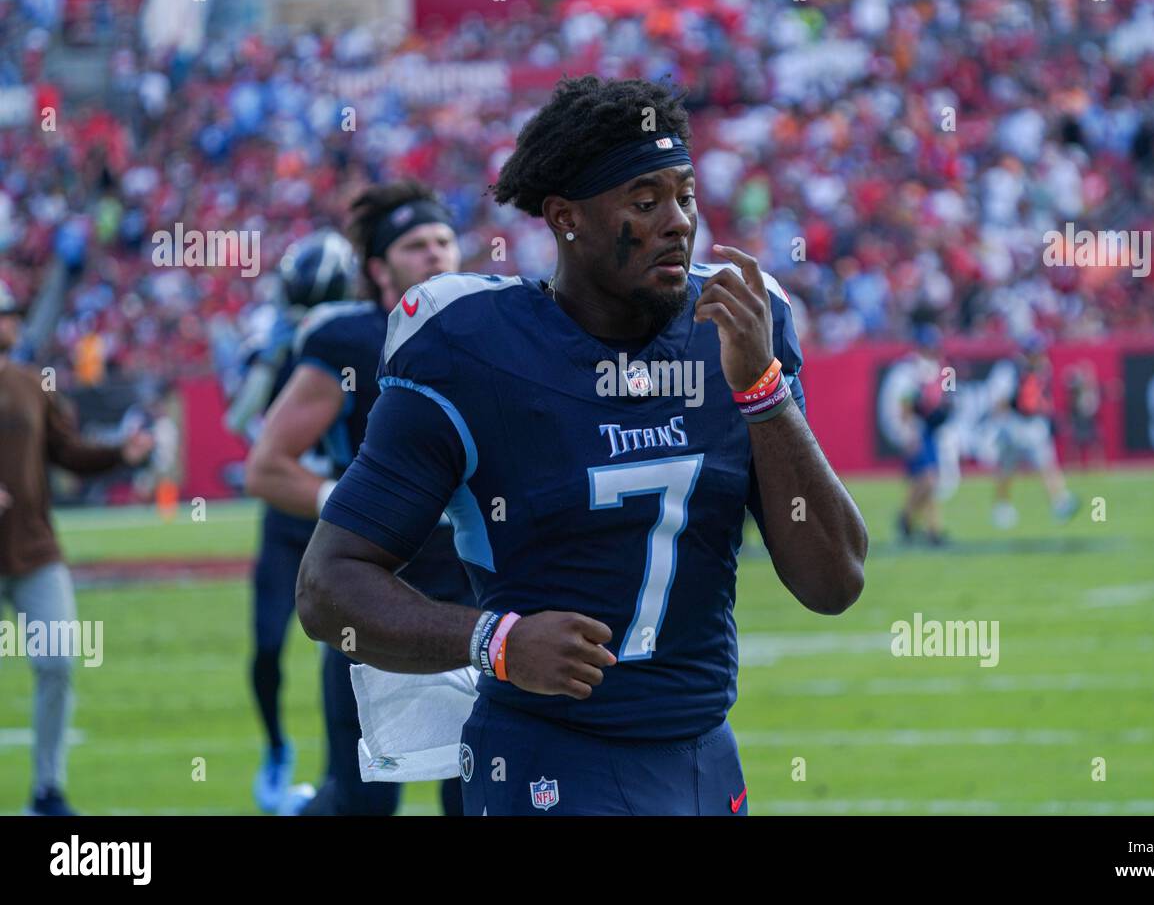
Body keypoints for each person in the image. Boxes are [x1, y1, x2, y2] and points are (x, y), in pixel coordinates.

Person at [296, 76, 869, 815]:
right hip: (548, 759)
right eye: (644, 201)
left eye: (685, 196)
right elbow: (327, 587)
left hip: (705, 758)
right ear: (566, 219)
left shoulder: (733, 329)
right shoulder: (471, 351)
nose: (677, 224)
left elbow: (837, 582)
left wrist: (762, 390)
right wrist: (496, 642)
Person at [245, 184, 472, 816]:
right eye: (414, 245)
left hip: (474, 602)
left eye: (442, 240)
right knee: (362, 803)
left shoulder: (490, 327)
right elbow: (266, 467)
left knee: (481, 796)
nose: (434, 254)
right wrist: (351, 508)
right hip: (375, 605)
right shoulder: (350, 339)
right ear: (377, 268)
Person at [0, 279, 153, 815]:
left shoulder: (28, 382)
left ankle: (47, 789)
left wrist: (122, 455)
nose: (13, 323)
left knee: (58, 661)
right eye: (5, 314)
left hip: (33, 549)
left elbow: (69, 452)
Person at [224, 229, 357, 813]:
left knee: (346, 650)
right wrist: (279, 349)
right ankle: (277, 746)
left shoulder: (354, 332)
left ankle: (339, 776)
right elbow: (240, 417)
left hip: (338, 514)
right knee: (267, 646)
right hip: (287, 514)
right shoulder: (276, 336)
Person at [986, 333, 1078, 528]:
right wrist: (1002, 425)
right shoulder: (1009, 369)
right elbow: (999, 400)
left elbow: (1041, 397)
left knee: (1047, 463)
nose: (1040, 355)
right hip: (1013, 423)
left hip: (1034, 424)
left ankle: (1060, 502)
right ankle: (1002, 506)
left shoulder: (1042, 368)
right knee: (1007, 469)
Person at [895, 325, 952, 547]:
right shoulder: (911, 370)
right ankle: (908, 518)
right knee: (928, 479)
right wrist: (909, 434)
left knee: (926, 481)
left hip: (928, 429)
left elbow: (944, 398)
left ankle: (931, 529)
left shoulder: (936, 368)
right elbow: (905, 407)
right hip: (916, 430)